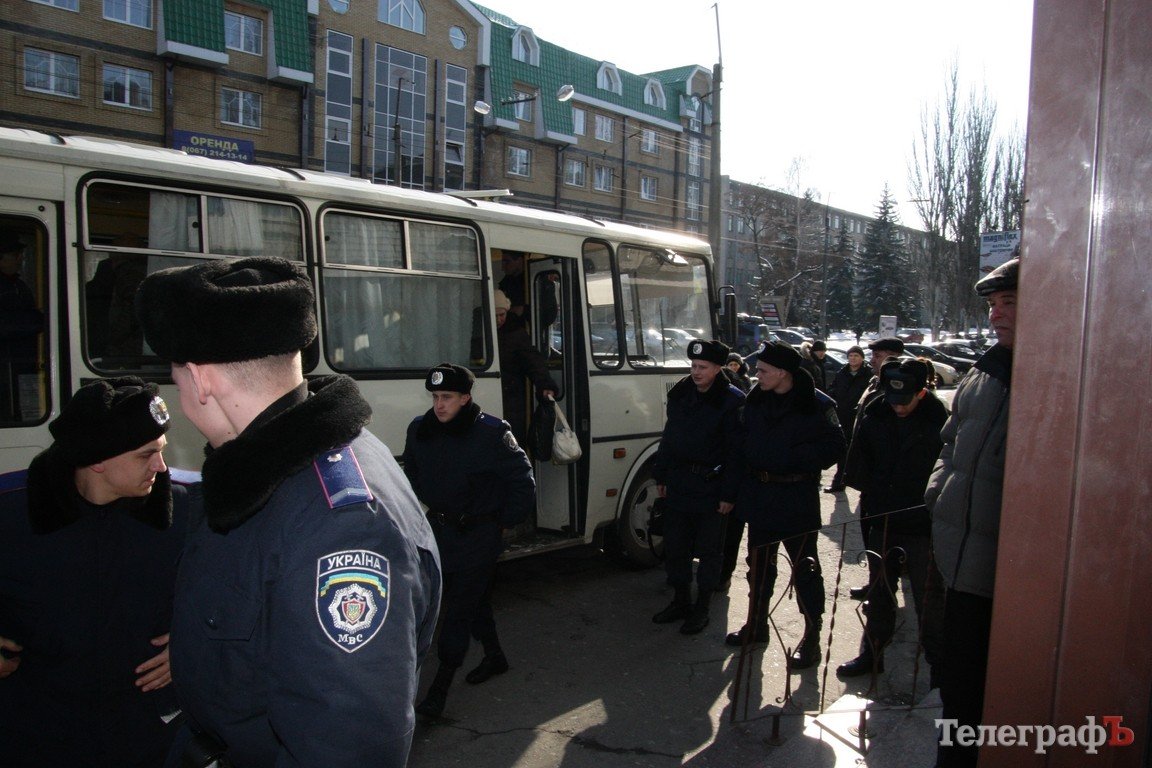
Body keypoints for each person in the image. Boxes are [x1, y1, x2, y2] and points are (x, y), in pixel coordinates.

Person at [134, 257, 442, 768]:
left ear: (201, 377)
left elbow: (347, 750)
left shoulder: (340, 524)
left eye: (174, 373)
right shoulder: (268, 467)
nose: (177, 388)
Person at [0, 377, 187, 767]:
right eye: (145, 455)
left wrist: (193, 646)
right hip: (33, 740)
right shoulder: (11, 514)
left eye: (162, 451)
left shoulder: (188, 512)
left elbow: (240, 596)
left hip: (149, 741)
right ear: (96, 459)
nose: (161, 466)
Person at [925, 258, 1018, 768]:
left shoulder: (1056, 375)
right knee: (956, 687)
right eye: (992, 306)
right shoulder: (985, 371)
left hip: (1002, 572)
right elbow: (949, 444)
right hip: (955, 557)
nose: (996, 316)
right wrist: (938, 495)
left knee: (990, 693)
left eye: (1010, 303)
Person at [403, 363, 536, 719]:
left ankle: (439, 689)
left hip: (478, 534)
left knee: (459, 606)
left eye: (447, 397)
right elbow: (411, 469)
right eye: (435, 397)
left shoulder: (491, 433)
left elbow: (522, 482)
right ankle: (494, 656)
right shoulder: (421, 430)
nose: (439, 405)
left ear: (465, 397)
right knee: (472, 598)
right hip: (439, 531)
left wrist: (502, 523)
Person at [726, 342, 845, 670]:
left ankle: (812, 637)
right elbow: (740, 441)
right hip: (760, 495)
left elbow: (836, 445)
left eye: (764, 370)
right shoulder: (756, 399)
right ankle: (756, 625)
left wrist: (790, 458)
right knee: (759, 568)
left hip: (796, 499)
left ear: (783, 373)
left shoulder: (817, 405)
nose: (757, 375)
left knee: (805, 571)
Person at [837, 359, 947, 680]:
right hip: (882, 520)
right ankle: (872, 655)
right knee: (880, 594)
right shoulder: (876, 414)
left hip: (921, 525)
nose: (899, 407)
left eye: (906, 401)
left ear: (922, 392)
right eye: (894, 400)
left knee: (929, 600)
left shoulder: (938, 421)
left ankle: (939, 667)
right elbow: (857, 465)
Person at [650, 339, 745, 634]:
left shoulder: (733, 401)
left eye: (703, 367)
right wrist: (661, 476)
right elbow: (669, 438)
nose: (696, 372)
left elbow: (736, 452)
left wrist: (729, 494)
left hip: (711, 487)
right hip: (679, 483)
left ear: (718, 369)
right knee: (676, 548)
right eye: (693, 366)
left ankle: (702, 607)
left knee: (709, 552)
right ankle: (680, 601)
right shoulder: (681, 393)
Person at [495, 289, 558, 448]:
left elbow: (533, 361)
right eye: (494, 315)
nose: (498, 320)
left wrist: (545, 384)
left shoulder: (516, 333)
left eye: (502, 315)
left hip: (512, 400)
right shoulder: (475, 331)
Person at [718, 351, 755, 589]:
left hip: (737, 481)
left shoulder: (745, 399)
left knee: (730, 533)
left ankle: (724, 575)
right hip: (714, 477)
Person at [0, 229, 44, 421]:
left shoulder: (19, 285)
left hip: (24, 362)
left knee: (27, 412)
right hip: (7, 364)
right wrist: (38, 321)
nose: (20, 260)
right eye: (16, 255)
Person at [824, 345, 870, 493]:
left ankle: (855, 480)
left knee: (858, 450)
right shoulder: (842, 373)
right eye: (850, 356)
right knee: (842, 449)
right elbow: (832, 388)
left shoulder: (868, 374)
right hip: (842, 415)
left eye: (856, 356)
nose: (852, 358)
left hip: (858, 417)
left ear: (862, 358)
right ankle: (839, 481)